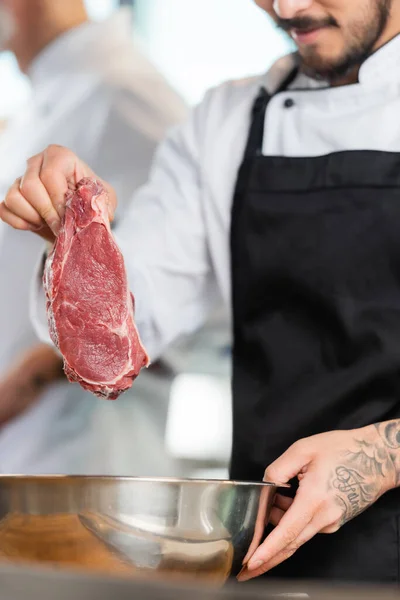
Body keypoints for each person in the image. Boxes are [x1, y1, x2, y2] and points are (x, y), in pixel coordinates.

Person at [3, 0, 400, 585]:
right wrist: (73, 238)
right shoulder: (228, 121)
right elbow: (129, 328)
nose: (287, 7)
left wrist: (385, 454)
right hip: (265, 558)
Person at [0, 0, 187, 473]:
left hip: (83, 460)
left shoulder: (123, 94)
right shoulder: (47, 98)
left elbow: (187, 286)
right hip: (26, 455)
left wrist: (29, 378)